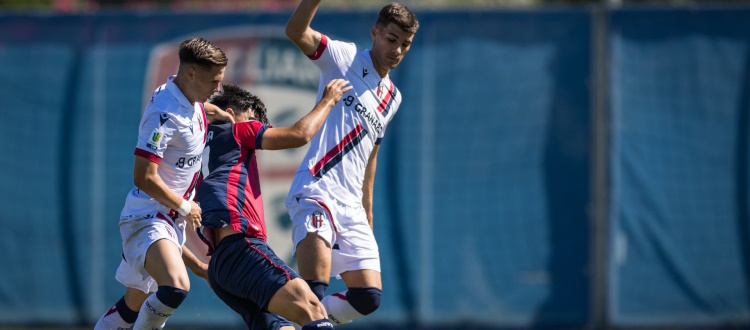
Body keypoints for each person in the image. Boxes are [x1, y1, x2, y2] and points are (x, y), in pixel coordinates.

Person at [284, 0, 419, 325]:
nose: (397, 49)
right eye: (391, 38)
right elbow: (295, 31)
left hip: (351, 206)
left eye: (405, 44)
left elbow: (370, 158)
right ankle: (291, 316)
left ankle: (282, 319)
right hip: (317, 189)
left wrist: (367, 214)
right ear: (374, 33)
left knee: (367, 297)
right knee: (314, 288)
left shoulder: (393, 98)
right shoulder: (343, 58)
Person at [95, 37, 231, 330]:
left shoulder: (188, 98)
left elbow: (189, 117)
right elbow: (143, 177)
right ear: (191, 73)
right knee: (175, 287)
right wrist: (185, 206)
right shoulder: (164, 114)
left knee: (132, 308)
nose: (217, 88)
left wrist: (215, 113)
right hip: (146, 219)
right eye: (214, 81)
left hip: (165, 220)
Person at [195, 80, 351, 330]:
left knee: (280, 327)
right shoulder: (235, 130)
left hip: (220, 267)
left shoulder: (192, 151)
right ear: (231, 114)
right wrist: (328, 100)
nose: (258, 128)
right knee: (313, 309)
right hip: (242, 248)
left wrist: (203, 269)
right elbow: (300, 134)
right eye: (254, 121)